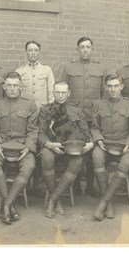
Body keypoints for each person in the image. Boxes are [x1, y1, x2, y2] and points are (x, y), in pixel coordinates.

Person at [0, 72, 38, 224]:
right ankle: (10, 205)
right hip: (2, 145)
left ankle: (6, 204)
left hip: (22, 146)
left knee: (29, 165)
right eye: (9, 85)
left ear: (20, 86)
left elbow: (33, 131)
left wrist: (28, 148)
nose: (12, 88)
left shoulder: (30, 105)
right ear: (4, 86)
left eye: (15, 85)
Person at [37, 82, 92, 218]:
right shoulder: (45, 110)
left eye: (63, 93)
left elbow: (85, 131)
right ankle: (58, 201)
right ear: (53, 93)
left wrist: (90, 143)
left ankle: (53, 200)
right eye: (58, 93)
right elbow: (41, 133)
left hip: (70, 148)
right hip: (52, 146)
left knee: (77, 161)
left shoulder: (77, 111)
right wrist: (49, 144)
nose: (60, 96)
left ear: (68, 93)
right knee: (47, 158)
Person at [89, 74, 129, 221]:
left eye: (116, 86)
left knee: (126, 162)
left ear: (121, 87)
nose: (113, 89)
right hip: (104, 144)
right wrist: (98, 140)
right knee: (96, 157)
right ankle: (108, 204)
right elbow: (94, 128)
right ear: (105, 87)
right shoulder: (98, 104)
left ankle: (103, 203)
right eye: (110, 86)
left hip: (124, 144)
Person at [55, 36, 106, 118]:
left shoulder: (101, 68)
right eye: (82, 47)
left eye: (88, 47)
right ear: (77, 49)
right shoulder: (69, 67)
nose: (85, 50)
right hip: (73, 113)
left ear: (92, 49)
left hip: (94, 113)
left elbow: (104, 93)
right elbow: (62, 90)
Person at [16, 41, 55, 108]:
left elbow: (51, 92)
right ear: (26, 52)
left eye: (36, 50)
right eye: (30, 50)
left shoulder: (47, 70)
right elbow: (17, 93)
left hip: (42, 109)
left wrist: (51, 109)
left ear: (39, 52)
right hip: (25, 109)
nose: (33, 53)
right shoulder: (19, 71)